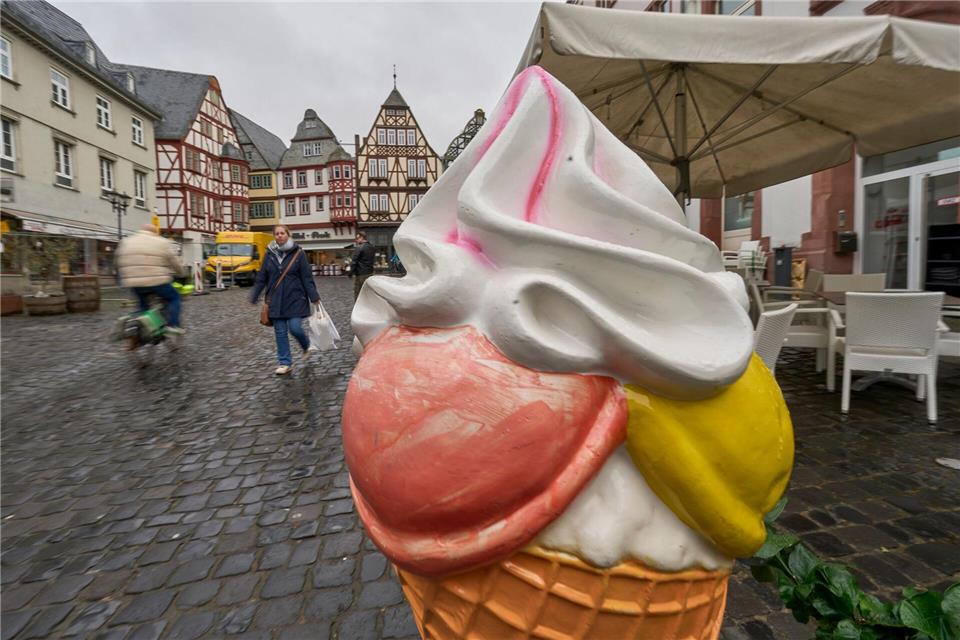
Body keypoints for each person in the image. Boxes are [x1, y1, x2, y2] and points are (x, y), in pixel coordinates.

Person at [250, 225, 320, 375]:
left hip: (295, 298)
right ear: (274, 236)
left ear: (288, 235)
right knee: (280, 332)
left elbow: (307, 277)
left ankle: (306, 345)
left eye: (282, 233)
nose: (279, 236)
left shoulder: (298, 253)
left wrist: (314, 297)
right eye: (277, 234)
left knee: (295, 328)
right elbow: (262, 277)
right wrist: (255, 295)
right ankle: (285, 362)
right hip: (275, 299)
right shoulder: (269, 254)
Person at [116, 223, 186, 334]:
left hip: (133, 282)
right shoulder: (162, 242)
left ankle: (138, 325)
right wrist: (182, 273)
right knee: (174, 298)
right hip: (158, 281)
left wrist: (127, 277)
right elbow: (174, 262)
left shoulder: (127, 241)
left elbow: (119, 261)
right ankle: (172, 325)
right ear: (155, 232)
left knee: (143, 305)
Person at [350, 231, 375, 300]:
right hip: (370, 273)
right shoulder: (372, 247)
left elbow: (354, 262)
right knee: (369, 291)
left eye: (357, 238)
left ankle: (358, 308)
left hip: (361, 274)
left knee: (358, 293)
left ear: (362, 237)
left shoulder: (359, 247)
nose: (356, 240)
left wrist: (350, 273)